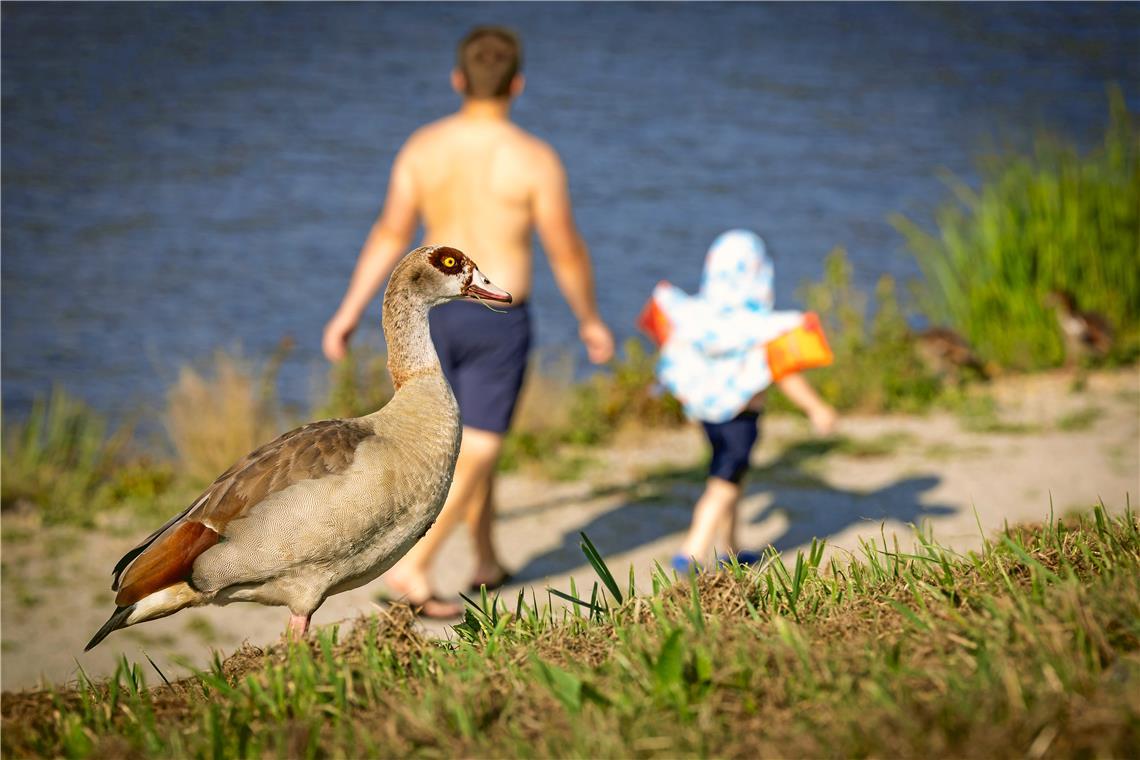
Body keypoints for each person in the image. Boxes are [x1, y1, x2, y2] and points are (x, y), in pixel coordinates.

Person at [323, 26, 614, 617]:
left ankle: (485, 557)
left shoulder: (422, 148)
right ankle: (416, 566)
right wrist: (590, 318)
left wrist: (348, 312)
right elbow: (565, 250)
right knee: (480, 443)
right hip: (496, 320)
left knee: (473, 442)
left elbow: (390, 233)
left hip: (431, 314)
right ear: (519, 84)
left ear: (458, 80)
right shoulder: (534, 158)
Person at [644, 229, 837, 571]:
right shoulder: (760, 328)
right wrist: (816, 408)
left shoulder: (700, 318)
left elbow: (677, 352)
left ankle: (730, 549)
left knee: (732, 478)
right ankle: (692, 550)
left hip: (708, 415)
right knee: (724, 484)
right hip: (741, 419)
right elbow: (785, 374)